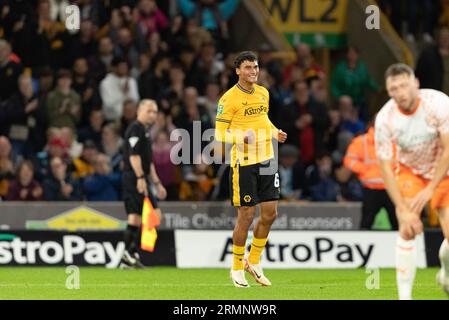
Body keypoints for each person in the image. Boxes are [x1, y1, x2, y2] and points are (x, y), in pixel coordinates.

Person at [375, 63, 449, 299]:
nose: (400, 92)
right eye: (393, 89)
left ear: (415, 83)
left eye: (404, 85)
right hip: (410, 172)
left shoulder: (438, 104)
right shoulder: (385, 119)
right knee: (407, 228)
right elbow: (385, 166)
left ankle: (445, 273)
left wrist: (430, 189)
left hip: (443, 170)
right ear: (388, 92)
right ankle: (404, 297)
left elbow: (448, 149)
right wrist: (401, 208)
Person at [214, 51, 287, 287]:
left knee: (270, 214)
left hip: (267, 159)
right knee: (246, 216)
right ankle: (236, 266)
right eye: (247, 67)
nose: (253, 71)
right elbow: (219, 133)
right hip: (244, 163)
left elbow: (263, 121)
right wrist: (240, 136)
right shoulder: (228, 99)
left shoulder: (263, 93)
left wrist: (275, 131)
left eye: (255, 67)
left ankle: (253, 260)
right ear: (238, 71)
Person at [120, 99, 167, 268]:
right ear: (139, 111)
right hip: (133, 178)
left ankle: (130, 252)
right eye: (149, 111)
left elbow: (149, 162)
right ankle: (129, 253)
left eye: (155, 112)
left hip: (143, 178)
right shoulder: (135, 129)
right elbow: (133, 156)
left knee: (153, 217)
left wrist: (157, 182)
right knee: (135, 217)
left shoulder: (145, 132)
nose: (152, 115)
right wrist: (140, 178)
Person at [344, 121, 398, 230]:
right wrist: (364, 170)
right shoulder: (361, 142)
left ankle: (402, 245)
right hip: (371, 188)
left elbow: (402, 161)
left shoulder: (394, 141)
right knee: (367, 222)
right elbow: (349, 160)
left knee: (397, 222)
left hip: (390, 188)